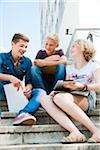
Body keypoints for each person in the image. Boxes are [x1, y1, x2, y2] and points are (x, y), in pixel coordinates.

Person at [40, 39, 100, 143]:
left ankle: (96, 131)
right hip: (69, 96)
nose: (71, 49)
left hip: (87, 96)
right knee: (45, 99)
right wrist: (57, 90)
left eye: (74, 46)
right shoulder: (69, 68)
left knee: (59, 97)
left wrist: (83, 86)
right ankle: (75, 132)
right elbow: (67, 86)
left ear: (83, 48)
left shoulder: (93, 65)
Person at [0, 33, 46, 125]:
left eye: (26, 47)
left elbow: (29, 81)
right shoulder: (2, 57)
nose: (24, 49)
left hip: (18, 94)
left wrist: (28, 88)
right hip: (1, 91)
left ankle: (24, 113)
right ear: (12, 44)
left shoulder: (27, 61)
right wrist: (10, 77)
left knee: (41, 92)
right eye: (21, 46)